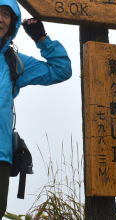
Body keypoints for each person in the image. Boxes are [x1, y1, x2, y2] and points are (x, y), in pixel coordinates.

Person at [0, 0, 72, 218]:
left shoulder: (14, 61)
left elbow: (61, 70)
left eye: (5, 14)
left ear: (13, 23)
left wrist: (41, 39)